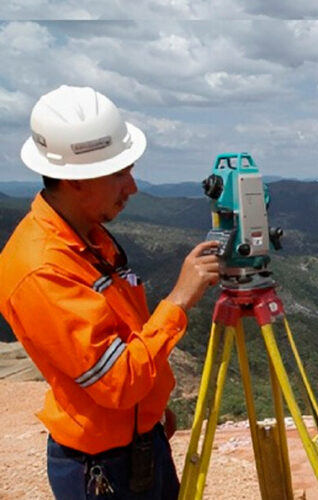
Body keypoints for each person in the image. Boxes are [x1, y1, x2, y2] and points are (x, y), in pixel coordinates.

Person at [0, 85, 220, 498]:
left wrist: (148, 414)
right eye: (119, 173)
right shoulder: (41, 270)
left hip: (136, 443)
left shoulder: (86, 238)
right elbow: (118, 381)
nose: (133, 186)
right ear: (73, 179)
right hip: (103, 468)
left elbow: (121, 337)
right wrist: (178, 300)